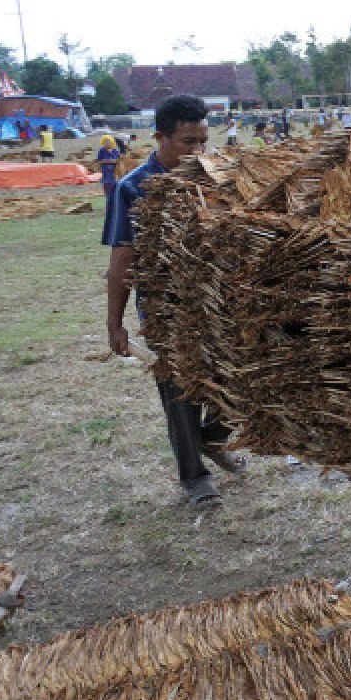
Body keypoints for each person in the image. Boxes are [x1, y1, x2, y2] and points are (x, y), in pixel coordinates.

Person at [103, 94, 244, 507]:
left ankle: (214, 438)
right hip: (167, 310)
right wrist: (115, 324)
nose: (198, 151)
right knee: (181, 392)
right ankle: (194, 477)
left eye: (203, 141)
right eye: (187, 142)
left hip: (220, 302)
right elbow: (121, 262)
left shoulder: (213, 179)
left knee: (239, 376)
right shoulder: (133, 189)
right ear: (160, 137)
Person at [96, 135, 121, 244]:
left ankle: (115, 206)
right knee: (107, 192)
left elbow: (119, 161)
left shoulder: (115, 151)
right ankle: (108, 208)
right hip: (106, 174)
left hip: (115, 174)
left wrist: (113, 162)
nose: (107, 143)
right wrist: (110, 161)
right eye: (105, 141)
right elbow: (99, 162)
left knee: (115, 191)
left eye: (108, 141)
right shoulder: (101, 151)